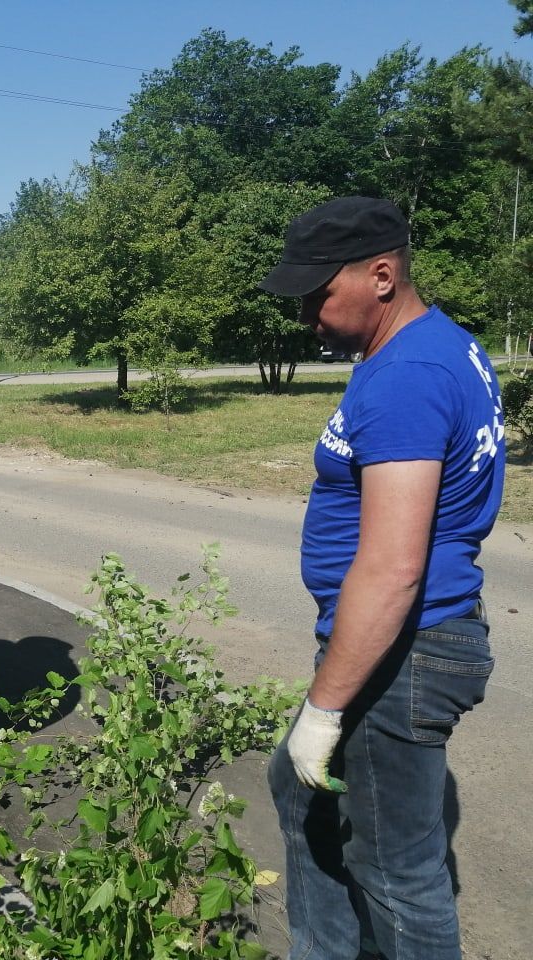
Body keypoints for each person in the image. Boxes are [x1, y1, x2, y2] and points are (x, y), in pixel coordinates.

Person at [260, 197, 505, 960]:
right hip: (409, 642)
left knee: (397, 873)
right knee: (300, 795)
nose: (307, 313)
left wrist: (326, 712)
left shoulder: (407, 375)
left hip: (403, 650)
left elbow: (394, 568)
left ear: (382, 274)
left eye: (318, 292)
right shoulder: (435, 347)